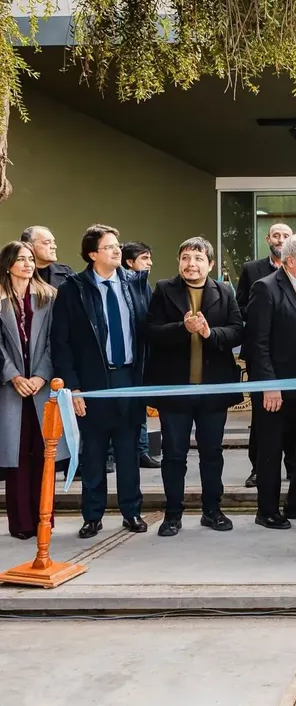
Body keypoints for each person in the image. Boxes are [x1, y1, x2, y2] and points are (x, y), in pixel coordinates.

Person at [51, 224, 151, 539]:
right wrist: (74, 387)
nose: (117, 250)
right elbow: (61, 342)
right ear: (93, 254)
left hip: (129, 377)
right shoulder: (74, 289)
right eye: (109, 247)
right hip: (93, 380)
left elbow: (149, 333)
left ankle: (131, 511)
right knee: (93, 452)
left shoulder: (135, 284)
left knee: (128, 450)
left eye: (117, 245)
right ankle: (92, 515)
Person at [145, 237, 243, 537]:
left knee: (212, 453)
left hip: (212, 389)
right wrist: (181, 329)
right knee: (174, 454)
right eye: (186, 257)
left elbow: (238, 330)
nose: (191, 264)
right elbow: (149, 331)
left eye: (199, 259)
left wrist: (208, 332)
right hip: (175, 390)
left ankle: (212, 510)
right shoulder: (164, 289)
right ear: (178, 261)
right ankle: (172, 514)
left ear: (210, 264)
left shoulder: (224, 291)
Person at [243, 233, 296, 530]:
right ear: (291, 261)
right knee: (271, 450)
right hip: (276, 388)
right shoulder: (266, 288)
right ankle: (267, 510)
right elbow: (257, 343)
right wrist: (269, 384)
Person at [0, 241, 66, 539]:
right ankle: (21, 524)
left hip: (41, 388)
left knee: (43, 454)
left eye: (30, 259)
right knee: (16, 455)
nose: (27, 264)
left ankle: (44, 520)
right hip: (11, 388)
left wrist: (42, 375)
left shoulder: (49, 296)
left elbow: (56, 340)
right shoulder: (0, 299)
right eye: (21, 259)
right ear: (8, 264)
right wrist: (13, 375)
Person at [236, 222, 291, 489]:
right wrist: (264, 312)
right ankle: (258, 469)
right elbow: (240, 306)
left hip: (292, 355)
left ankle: (293, 467)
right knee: (262, 415)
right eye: (276, 235)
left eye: (286, 235)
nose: (280, 239)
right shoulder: (252, 269)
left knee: (293, 415)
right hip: (261, 351)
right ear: (268, 238)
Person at [118, 240, 158, 470]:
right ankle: (114, 453)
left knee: (139, 404)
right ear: (129, 262)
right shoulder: (121, 285)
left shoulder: (144, 284)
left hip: (142, 354)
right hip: (124, 358)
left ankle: (141, 450)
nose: (150, 262)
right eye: (144, 258)